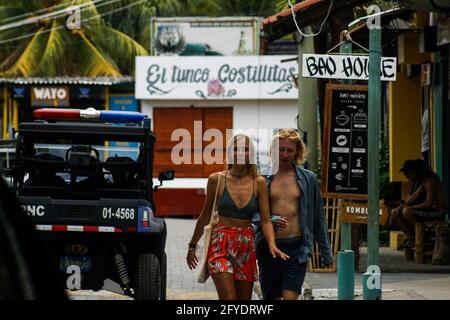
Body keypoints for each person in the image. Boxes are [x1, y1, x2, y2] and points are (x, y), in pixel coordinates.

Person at [186, 133, 288, 300]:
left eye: (245, 149)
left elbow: (265, 219)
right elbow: (204, 216)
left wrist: (271, 243)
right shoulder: (216, 180)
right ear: (229, 153)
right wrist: (192, 246)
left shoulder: (259, 182)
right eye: (236, 149)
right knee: (228, 298)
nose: (241, 153)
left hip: (246, 244)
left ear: (251, 155)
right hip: (220, 243)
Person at [254, 128, 333, 300]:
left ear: (297, 151)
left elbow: (318, 217)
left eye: (289, 150)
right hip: (270, 248)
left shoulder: (308, 179)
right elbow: (251, 213)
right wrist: (269, 220)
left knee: (291, 297)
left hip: (297, 248)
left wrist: (326, 252)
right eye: (281, 150)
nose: (285, 154)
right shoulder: (261, 178)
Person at [391, 159, 448, 249]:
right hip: (430, 210)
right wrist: (400, 207)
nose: (408, 176)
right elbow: (415, 195)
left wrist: (409, 207)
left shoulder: (430, 180)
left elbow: (428, 204)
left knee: (407, 212)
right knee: (395, 214)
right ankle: (411, 238)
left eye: (410, 173)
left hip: (437, 213)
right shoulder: (423, 181)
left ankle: (425, 237)